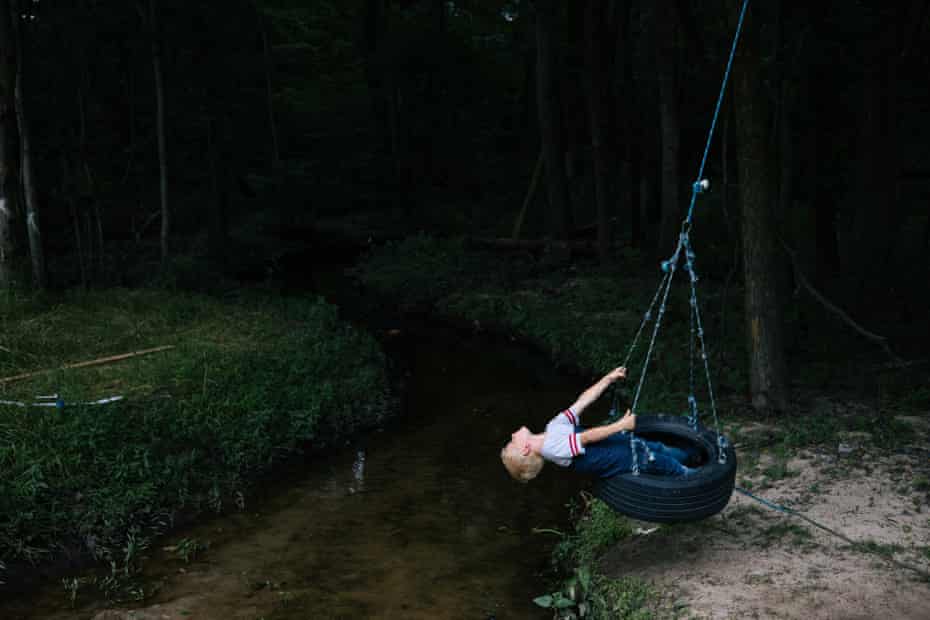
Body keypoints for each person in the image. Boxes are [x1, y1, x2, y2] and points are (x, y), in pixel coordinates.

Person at [500, 366, 696, 482]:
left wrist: (607, 379)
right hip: (622, 458)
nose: (511, 436)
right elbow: (585, 437)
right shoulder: (552, 449)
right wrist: (621, 425)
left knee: (660, 448)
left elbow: (581, 402)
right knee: (665, 463)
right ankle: (698, 478)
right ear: (525, 448)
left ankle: (697, 458)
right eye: (512, 442)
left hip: (620, 444)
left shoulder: (552, 429)